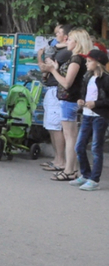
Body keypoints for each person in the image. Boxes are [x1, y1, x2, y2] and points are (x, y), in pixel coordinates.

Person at [41, 28, 92, 181]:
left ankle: (70, 169)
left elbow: (67, 83)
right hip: (70, 99)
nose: (66, 42)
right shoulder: (80, 58)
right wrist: (57, 69)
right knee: (71, 136)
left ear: (77, 42)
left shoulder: (76, 59)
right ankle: (72, 168)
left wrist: (52, 71)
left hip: (69, 99)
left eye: (70, 39)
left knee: (70, 137)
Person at [71, 49, 109, 191]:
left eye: (89, 61)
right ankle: (86, 175)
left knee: (96, 148)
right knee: (79, 146)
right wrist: (81, 100)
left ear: (97, 63)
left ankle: (94, 179)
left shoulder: (106, 79)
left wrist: (96, 104)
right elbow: (83, 93)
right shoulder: (87, 77)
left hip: (100, 117)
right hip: (87, 114)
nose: (86, 64)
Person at [37, 24, 72, 173]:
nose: (55, 35)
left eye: (59, 33)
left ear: (66, 36)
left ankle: (61, 160)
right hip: (51, 89)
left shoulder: (64, 52)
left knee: (56, 126)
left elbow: (45, 67)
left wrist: (39, 56)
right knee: (51, 126)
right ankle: (57, 158)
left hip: (57, 91)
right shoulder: (57, 49)